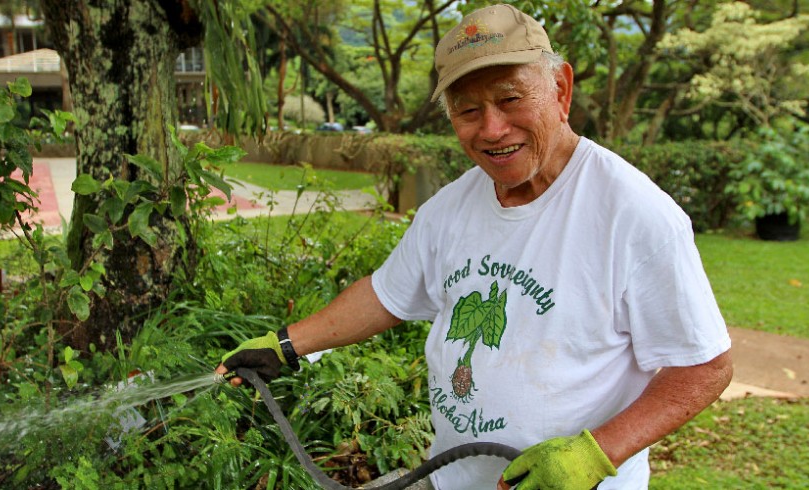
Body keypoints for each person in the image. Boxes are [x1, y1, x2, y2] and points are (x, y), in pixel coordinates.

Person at [216, 4, 733, 489]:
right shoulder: (449, 208)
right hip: (454, 478)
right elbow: (385, 295)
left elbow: (705, 367)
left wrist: (596, 453)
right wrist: (284, 345)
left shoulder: (634, 213)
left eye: (510, 99)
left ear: (560, 89)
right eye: (467, 110)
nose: (492, 129)